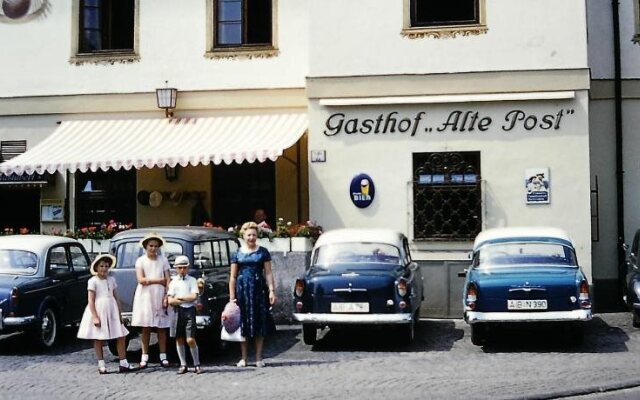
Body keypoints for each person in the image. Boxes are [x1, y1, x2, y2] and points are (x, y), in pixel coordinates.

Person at [77, 254, 135, 374]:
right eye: (101, 266)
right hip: (100, 309)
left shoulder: (111, 280)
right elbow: (91, 300)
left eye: (106, 266)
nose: (104, 269)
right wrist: (95, 316)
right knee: (99, 337)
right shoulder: (93, 281)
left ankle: (123, 362)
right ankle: (101, 363)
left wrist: (120, 313)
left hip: (112, 309)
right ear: (96, 268)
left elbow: (116, 297)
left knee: (121, 335)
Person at [229, 221, 277, 368]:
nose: (251, 237)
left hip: (258, 290)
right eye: (249, 235)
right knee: (243, 322)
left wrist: (271, 290)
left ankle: (258, 357)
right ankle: (243, 358)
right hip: (242, 290)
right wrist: (232, 297)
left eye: (254, 235)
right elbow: (232, 277)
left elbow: (268, 273)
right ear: (243, 235)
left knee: (259, 322)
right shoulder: (237, 253)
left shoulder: (263, 252)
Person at [131, 232, 173, 368]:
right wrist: (158, 280)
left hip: (160, 294)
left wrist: (167, 295)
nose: (153, 248)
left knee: (161, 327)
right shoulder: (141, 261)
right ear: (145, 246)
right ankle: (144, 356)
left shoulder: (163, 260)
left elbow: (168, 279)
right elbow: (141, 280)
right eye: (151, 246)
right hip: (146, 295)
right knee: (146, 326)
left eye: (156, 246)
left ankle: (163, 355)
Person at [167, 255, 202, 374]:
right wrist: (184, 300)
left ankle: (197, 363)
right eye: (179, 267)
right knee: (179, 338)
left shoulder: (192, 280)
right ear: (176, 268)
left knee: (190, 338)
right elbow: (171, 301)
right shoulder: (173, 282)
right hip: (178, 311)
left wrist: (180, 298)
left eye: (184, 267)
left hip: (189, 311)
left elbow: (194, 296)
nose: (182, 270)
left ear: (188, 268)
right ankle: (183, 364)